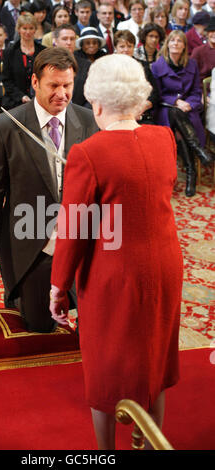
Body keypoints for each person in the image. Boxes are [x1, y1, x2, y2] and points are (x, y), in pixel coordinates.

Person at [49, 53, 183, 450]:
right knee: (156, 357)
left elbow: (74, 230)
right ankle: (148, 442)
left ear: (98, 102)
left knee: (105, 366)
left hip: (113, 274)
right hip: (165, 264)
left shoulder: (89, 153)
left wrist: (58, 287)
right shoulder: (165, 138)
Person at [0, 47, 98, 333]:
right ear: (35, 82)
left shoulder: (88, 121)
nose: (62, 94)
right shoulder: (4, 126)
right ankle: (24, 298)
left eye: (67, 85)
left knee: (93, 327)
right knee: (41, 327)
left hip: (78, 240)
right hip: (31, 242)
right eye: (54, 85)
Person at [151, 30, 214, 197]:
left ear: (185, 46)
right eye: (173, 40)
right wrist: (176, 102)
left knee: (180, 127)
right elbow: (158, 94)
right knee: (174, 114)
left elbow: (196, 91)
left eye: (180, 41)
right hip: (165, 108)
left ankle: (191, 170)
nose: (176, 43)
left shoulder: (191, 64)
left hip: (188, 110)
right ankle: (198, 155)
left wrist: (189, 104)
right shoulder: (157, 66)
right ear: (167, 44)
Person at [114, 29, 159, 123]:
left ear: (134, 47)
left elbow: (155, 94)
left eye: (129, 46)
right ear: (116, 48)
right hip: (117, 114)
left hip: (142, 113)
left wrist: (142, 107)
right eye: (122, 46)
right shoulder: (109, 67)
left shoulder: (143, 66)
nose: (126, 50)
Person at [2, 13, 45, 110]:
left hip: (39, 99)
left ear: (35, 29)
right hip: (15, 99)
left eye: (31, 28)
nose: (28, 32)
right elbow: (7, 81)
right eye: (24, 28)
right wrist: (21, 96)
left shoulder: (43, 51)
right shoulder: (10, 52)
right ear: (19, 29)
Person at [53, 23, 91, 107]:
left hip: (80, 114)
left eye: (72, 39)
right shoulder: (46, 65)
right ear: (55, 41)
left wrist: (80, 113)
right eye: (65, 39)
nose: (69, 42)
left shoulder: (86, 65)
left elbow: (93, 94)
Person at [191, 16, 215, 84]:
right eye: (212, 31)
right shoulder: (198, 51)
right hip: (203, 90)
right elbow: (191, 74)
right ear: (207, 33)